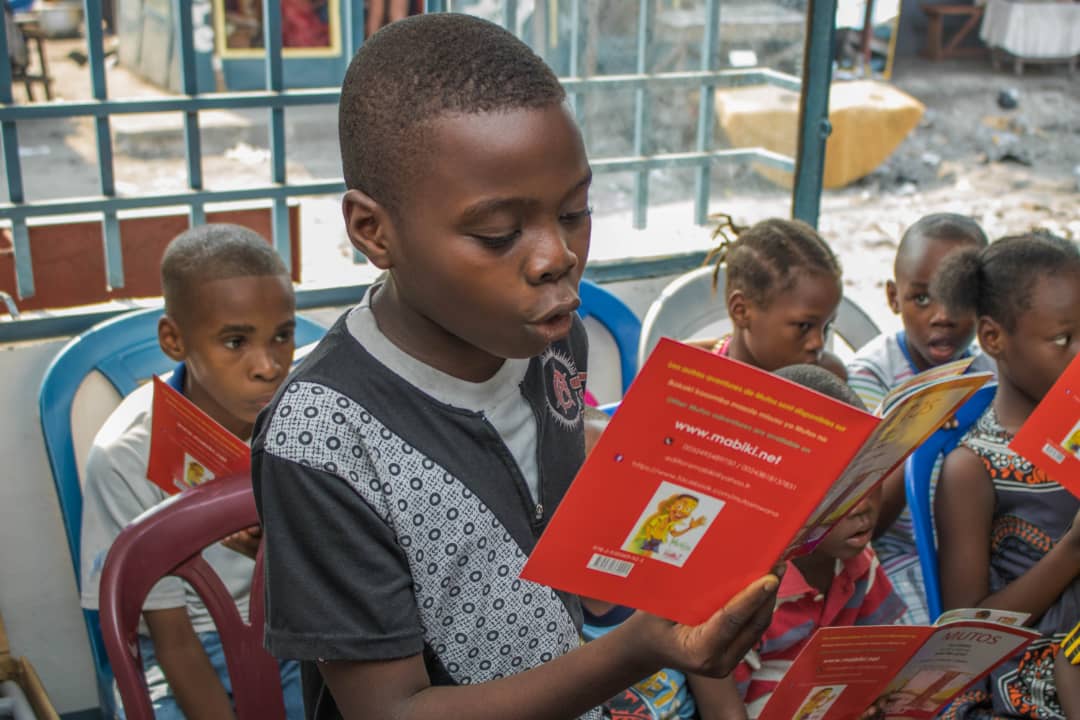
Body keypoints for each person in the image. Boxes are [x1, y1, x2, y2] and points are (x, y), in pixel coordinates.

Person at [251, 14, 780, 720]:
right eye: (499, 233)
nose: (554, 256)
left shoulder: (552, 339)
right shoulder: (322, 440)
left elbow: (566, 560)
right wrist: (635, 650)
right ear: (374, 232)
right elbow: (391, 712)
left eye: (574, 213)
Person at [79, 224, 304, 719]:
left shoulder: (307, 417)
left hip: (297, 631)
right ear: (174, 340)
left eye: (283, 336)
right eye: (235, 341)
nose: (268, 366)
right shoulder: (126, 455)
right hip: (183, 649)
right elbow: (173, 639)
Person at [933, 233, 1080, 719]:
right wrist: (1072, 551)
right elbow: (966, 637)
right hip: (1035, 676)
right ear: (994, 338)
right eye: (1063, 340)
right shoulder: (971, 467)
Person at [708, 365, 906, 719]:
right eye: (837, 486)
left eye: (868, 476)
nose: (861, 505)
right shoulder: (739, 593)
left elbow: (881, 667)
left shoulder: (859, 563)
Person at [847, 213, 992, 626]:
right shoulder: (871, 376)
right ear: (894, 297)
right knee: (921, 633)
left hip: (974, 543)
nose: (942, 315)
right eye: (923, 298)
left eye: (960, 299)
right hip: (894, 550)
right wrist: (915, 432)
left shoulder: (992, 373)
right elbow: (864, 517)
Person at [579, 408, 731, 720]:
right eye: (587, 486)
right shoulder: (538, 608)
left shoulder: (671, 592)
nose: (610, 503)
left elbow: (725, 710)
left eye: (624, 483)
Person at [689, 216, 848, 381]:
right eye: (804, 326)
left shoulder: (828, 382)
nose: (818, 343)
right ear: (741, 311)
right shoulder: (685, 369)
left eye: (826, 327)